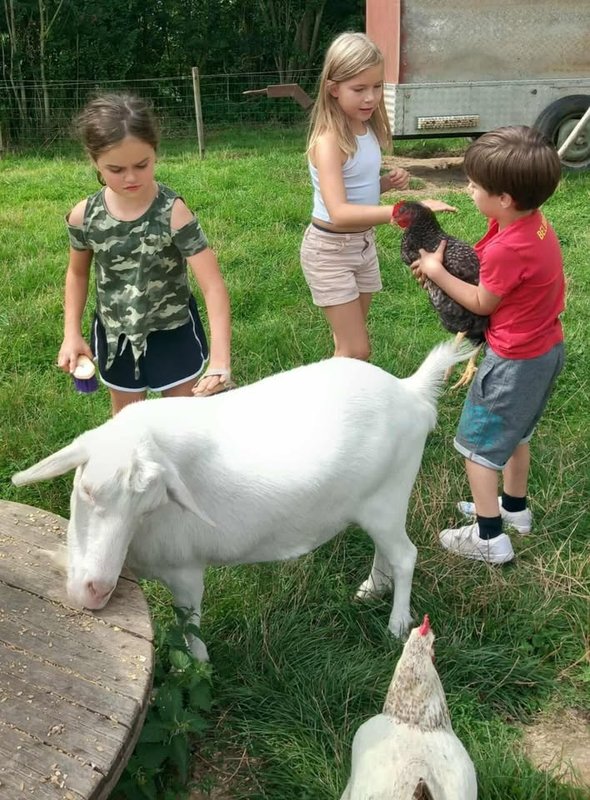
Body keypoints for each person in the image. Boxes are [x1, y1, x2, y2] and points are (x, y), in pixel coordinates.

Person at [412, 125, 565, 564]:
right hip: (546, 349)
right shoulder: (533, 225)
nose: (468, 190)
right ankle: (514, 511)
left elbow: (482, 300)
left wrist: (437, 273)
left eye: (475, 186)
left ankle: (489, 537)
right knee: (516, 434)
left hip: (513, 358)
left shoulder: (507, 249)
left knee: (477, 449)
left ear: (505, 200)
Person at [58, 92, 231, 414]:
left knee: (183, 425)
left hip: (173, 332)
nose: (131, 177)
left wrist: (220, 359)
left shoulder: (174, 213)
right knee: (127, 427)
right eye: (115, 168)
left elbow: (213, 285)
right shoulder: (84, 216)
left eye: (142, 164)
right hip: (115, 336)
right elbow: (77, 273)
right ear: (93, 160)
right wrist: (71, 333)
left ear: (156, 152)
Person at [301, 31, 454, 360]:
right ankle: (338, 405)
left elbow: (356, 190)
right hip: (330, 251)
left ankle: (338, 401)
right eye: (359, 89)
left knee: (348, 344)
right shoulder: (329, 141)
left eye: (376, 87)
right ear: (333, 89)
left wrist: (383, 184)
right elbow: (339, 211)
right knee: (356, 350)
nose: (370, 98)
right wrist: (410, 209)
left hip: (362, 245)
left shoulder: (365, 129)